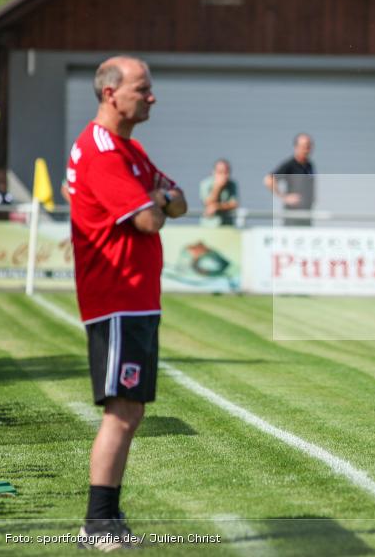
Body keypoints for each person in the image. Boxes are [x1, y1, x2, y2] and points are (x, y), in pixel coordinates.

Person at [66, 56, 187, 550]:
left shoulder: (129, 149)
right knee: (120, 411)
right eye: (142, 88)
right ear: (110, 93)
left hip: (136, 298)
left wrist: (159, 198)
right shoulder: (102, 151)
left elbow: (179, 199)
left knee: (130, 410)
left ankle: (109, 518)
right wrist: (158, 200)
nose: (151, 97)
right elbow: (151, 218)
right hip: (116, 298)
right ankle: (97, 524)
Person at [264, 133, 315, 226]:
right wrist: (284, 197)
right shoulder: (290, 165)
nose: (307, 149)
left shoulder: (309, 165)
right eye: (304, 146)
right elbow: (268, 180)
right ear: (296, 147)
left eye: (309, 146)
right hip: (292, 217)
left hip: (307, 215)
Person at [199, 159, 239, 226]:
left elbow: (234, 204)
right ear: (214, 172)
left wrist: (217, 206)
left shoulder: (232, 184)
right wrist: (217, 187)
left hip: (227, 225)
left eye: (226, 172)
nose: (224, 175)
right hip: (209, 225)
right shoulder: (205, 184)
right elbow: (207, 203)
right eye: (220, 172)